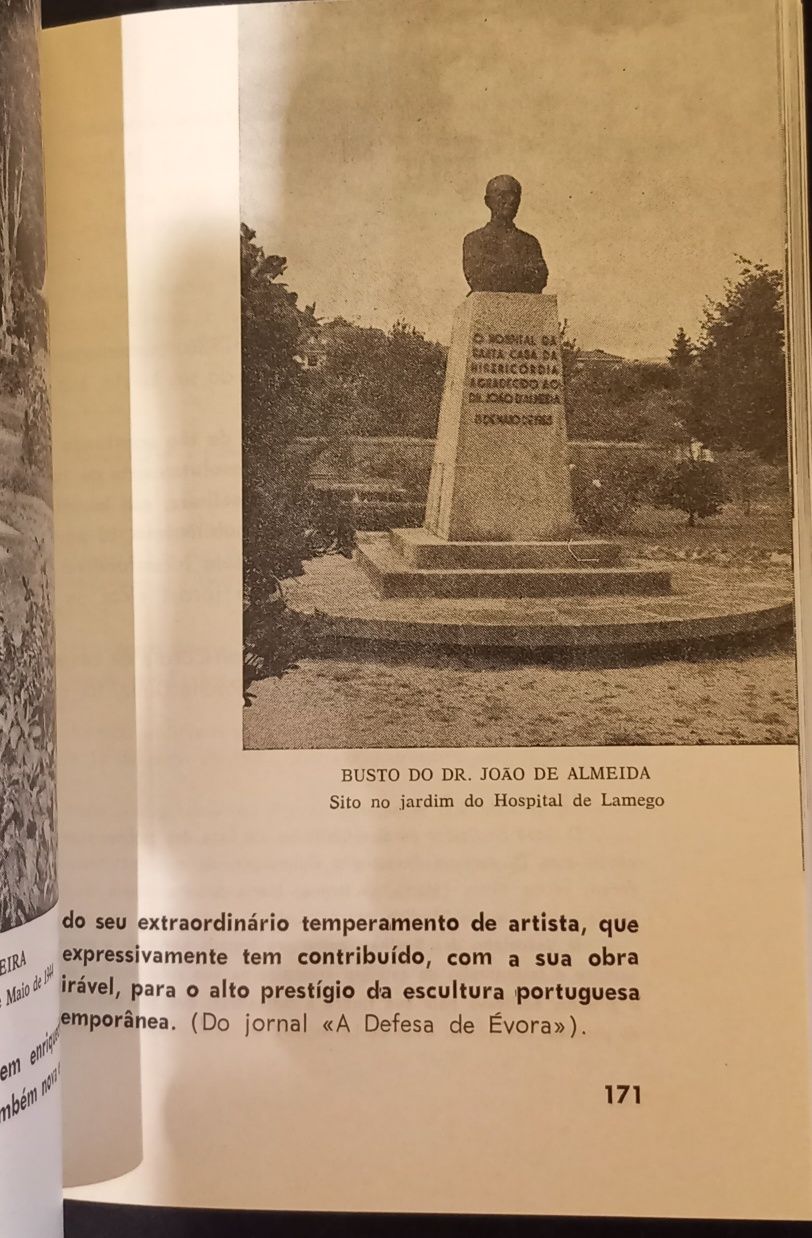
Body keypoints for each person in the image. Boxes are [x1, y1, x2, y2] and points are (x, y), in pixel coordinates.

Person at [463, 174, 548, 293]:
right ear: (488, 201)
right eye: (503, 195)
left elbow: (540, 277)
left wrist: (500, 270)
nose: (511, 201)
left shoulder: (530, 242)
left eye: (515, 196)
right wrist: (521, 272)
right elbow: (480, 278)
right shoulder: (474, 240)